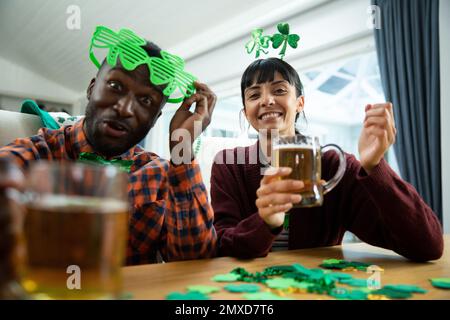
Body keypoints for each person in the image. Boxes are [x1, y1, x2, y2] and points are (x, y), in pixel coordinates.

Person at [0, 28, 217, 265]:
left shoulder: (163, 175)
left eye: (145, 101)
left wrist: (182, 148)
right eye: (115, 86)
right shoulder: (39, 153)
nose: (125, 108)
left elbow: (194, 262)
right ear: (92, 89)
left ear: (155, 118)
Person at [210, 57, 443, 262]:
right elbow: (222, 245)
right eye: (254, 95)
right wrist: (266, 222)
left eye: (279, 90)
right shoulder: (229, 164)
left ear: (300, 103)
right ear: (245, 111)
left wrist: (374, 166)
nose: (266, 100)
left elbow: (428, 246)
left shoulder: (334, 167)